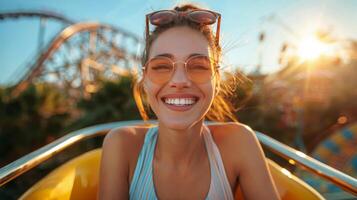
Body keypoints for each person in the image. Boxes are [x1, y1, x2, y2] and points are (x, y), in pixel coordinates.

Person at [98, 3, 280, 200]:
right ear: (145, 81)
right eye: (161, 67)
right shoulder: (121, 146)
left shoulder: (240, 143)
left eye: (199, 67)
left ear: (216, 81)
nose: (179, 81)